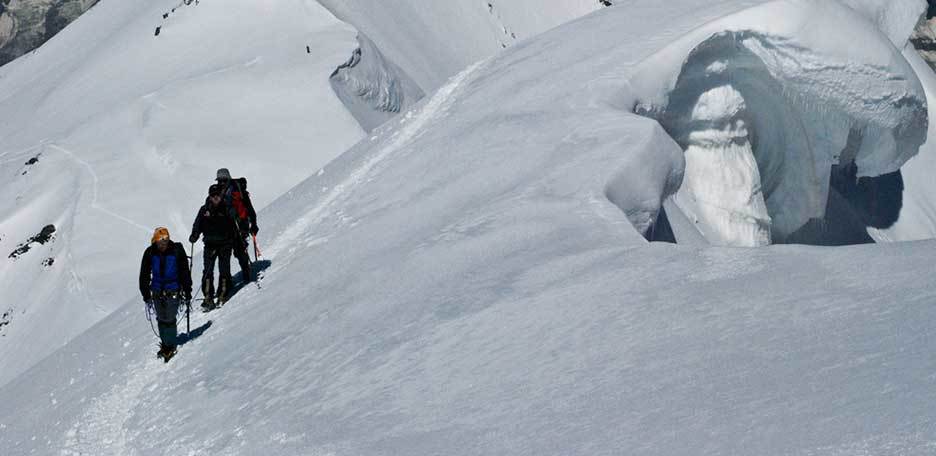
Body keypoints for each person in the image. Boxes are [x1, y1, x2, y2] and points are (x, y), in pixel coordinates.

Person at [139, 227, 192, 362]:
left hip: (173, 289)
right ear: (155, 241)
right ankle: (166, 344)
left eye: (166, 241)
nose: (164, 244)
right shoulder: (150, 252)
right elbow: (144, 274)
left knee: (169, 318)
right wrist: (145, 293)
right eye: (161, 242)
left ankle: (170, 344)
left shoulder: (176, 250)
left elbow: (184, 271)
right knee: (161, 318)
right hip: (156, 291)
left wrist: (187, 290)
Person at [190, 184, 238, 310]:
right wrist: (195, 234)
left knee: (224, 269)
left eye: (218, 195)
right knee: (207, 271)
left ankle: (222, 294)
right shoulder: (204, 210)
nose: (216, 198)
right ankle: (208, 297)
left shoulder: (227, 208)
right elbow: (197, 224)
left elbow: (234, 223)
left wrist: (233, 214)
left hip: (225, 244)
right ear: (210, 196)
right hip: (210, 245)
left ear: (221, 196)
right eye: (213, 196)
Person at [214, 168, 259, 283]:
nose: (222, 183)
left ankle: (246, 270)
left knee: (239, 250)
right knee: (226, 255)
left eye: (224, 180)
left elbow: (249, 208)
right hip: (225, 228)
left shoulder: (238, 190)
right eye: (220, 181)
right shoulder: (216, 193)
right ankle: (227, 280)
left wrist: (253, 224)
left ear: (228, 178)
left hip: (240, 225)